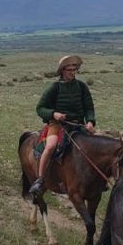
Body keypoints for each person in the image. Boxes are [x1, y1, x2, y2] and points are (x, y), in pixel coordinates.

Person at [29, 55, 96, 195]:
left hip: (78, 124)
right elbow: (40, 108)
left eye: (74, 69)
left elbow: (89, 108)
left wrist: (90, 121)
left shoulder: (82, 87)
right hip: (58, 124)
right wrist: (54, 114)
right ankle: (40, 180)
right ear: (62, 71)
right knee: (51, 146)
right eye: (69, 69)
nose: (72, 72)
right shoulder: (54, 87)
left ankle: (93, 181)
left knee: (95, 147)